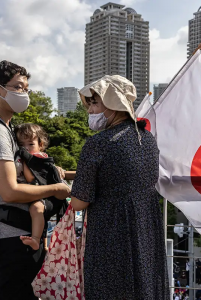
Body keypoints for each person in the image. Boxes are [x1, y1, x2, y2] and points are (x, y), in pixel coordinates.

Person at [0, 60, 70, 300]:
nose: (24, 94)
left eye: (26, 88)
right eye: (17, 87)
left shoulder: (6, 128)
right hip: (13, 236)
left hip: (21, 232)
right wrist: (56, 187)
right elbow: (10, 191)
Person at [69, 75, 169, 299]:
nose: (90, 110)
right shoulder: (147, 138)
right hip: (146, 229)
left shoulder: (98, 144)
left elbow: (78, 202)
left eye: (95, 103)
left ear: (113, 104)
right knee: (144, 286)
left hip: (111, 232)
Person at [15, 123, 50, 251]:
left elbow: (30, 178)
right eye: (21, 145)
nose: (26, 148)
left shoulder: (38, 158)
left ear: (40, 145)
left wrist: (24, 162)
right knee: (41, 217)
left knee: (37, 209)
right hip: (34, 192)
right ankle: (44, 244)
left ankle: (36, 239)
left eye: (30, 144)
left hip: (39, 192)